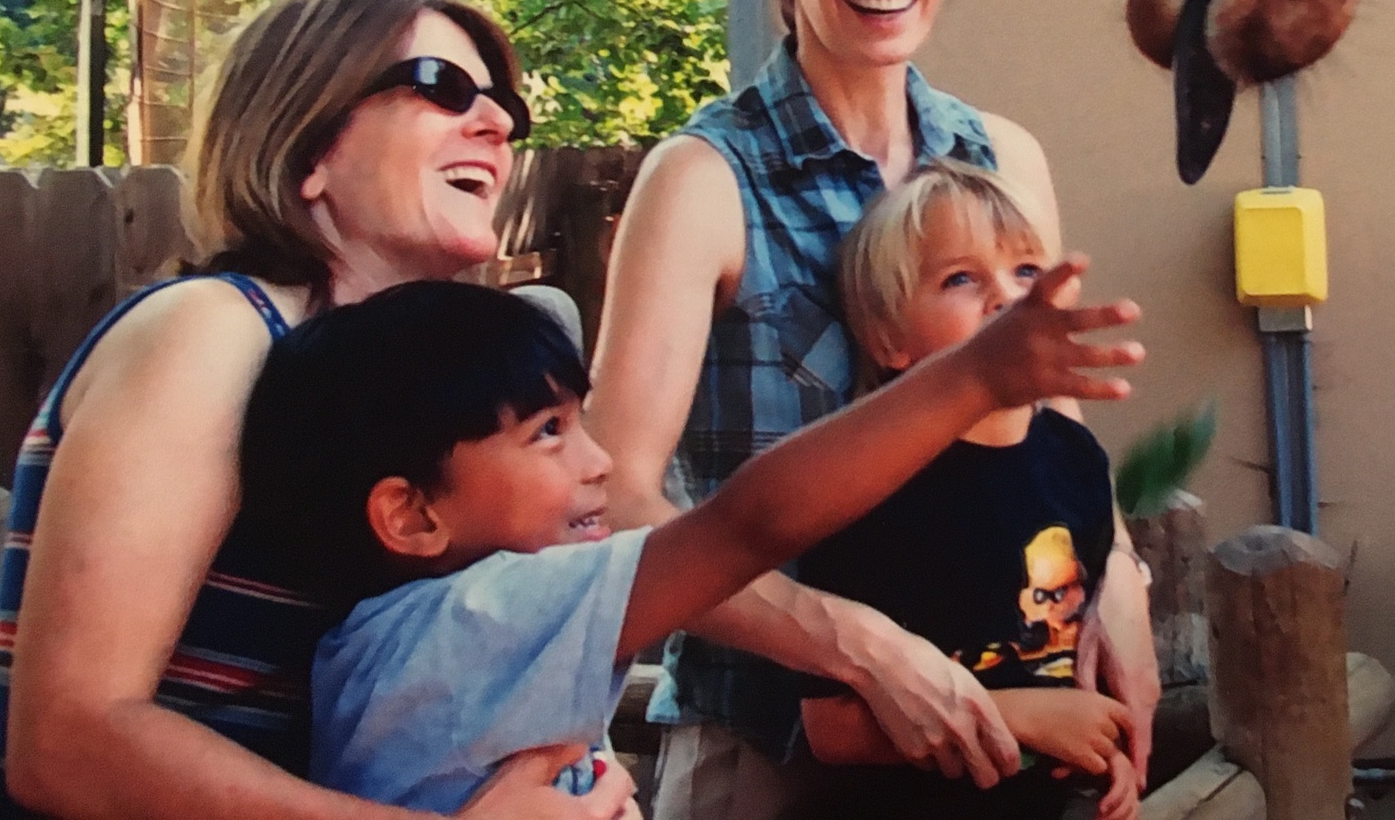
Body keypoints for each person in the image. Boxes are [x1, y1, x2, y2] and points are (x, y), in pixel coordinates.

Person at [589, 0, 1161, 820]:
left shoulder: (1003, 157)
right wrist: (858, 647)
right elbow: (614, 499)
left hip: (1005, 756)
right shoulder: (707, 177)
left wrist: (1118, 578)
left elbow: (1057, 425)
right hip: (775, 747)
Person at [0, 0, 636, 820]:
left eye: (503, 104)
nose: (498, 123)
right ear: (310, 147)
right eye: (442, 87)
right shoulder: (215, 332)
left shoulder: (414, 391)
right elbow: (67, 742)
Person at [239, 269, 1138, 816]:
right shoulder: (478, 617)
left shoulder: (379, 648)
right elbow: (748, 529)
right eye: (548, 434)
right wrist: (972, 377)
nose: (599, 462)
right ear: (411, 517)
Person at [794, 160, 1142, 820]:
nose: (1005, 298)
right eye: (961, 278)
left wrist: (1105, 757)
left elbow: (1076, 654)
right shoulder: (867, 487)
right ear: (889, 339)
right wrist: (1013, 716)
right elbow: (830, 729)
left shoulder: (1076, 460)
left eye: (1026, 271)